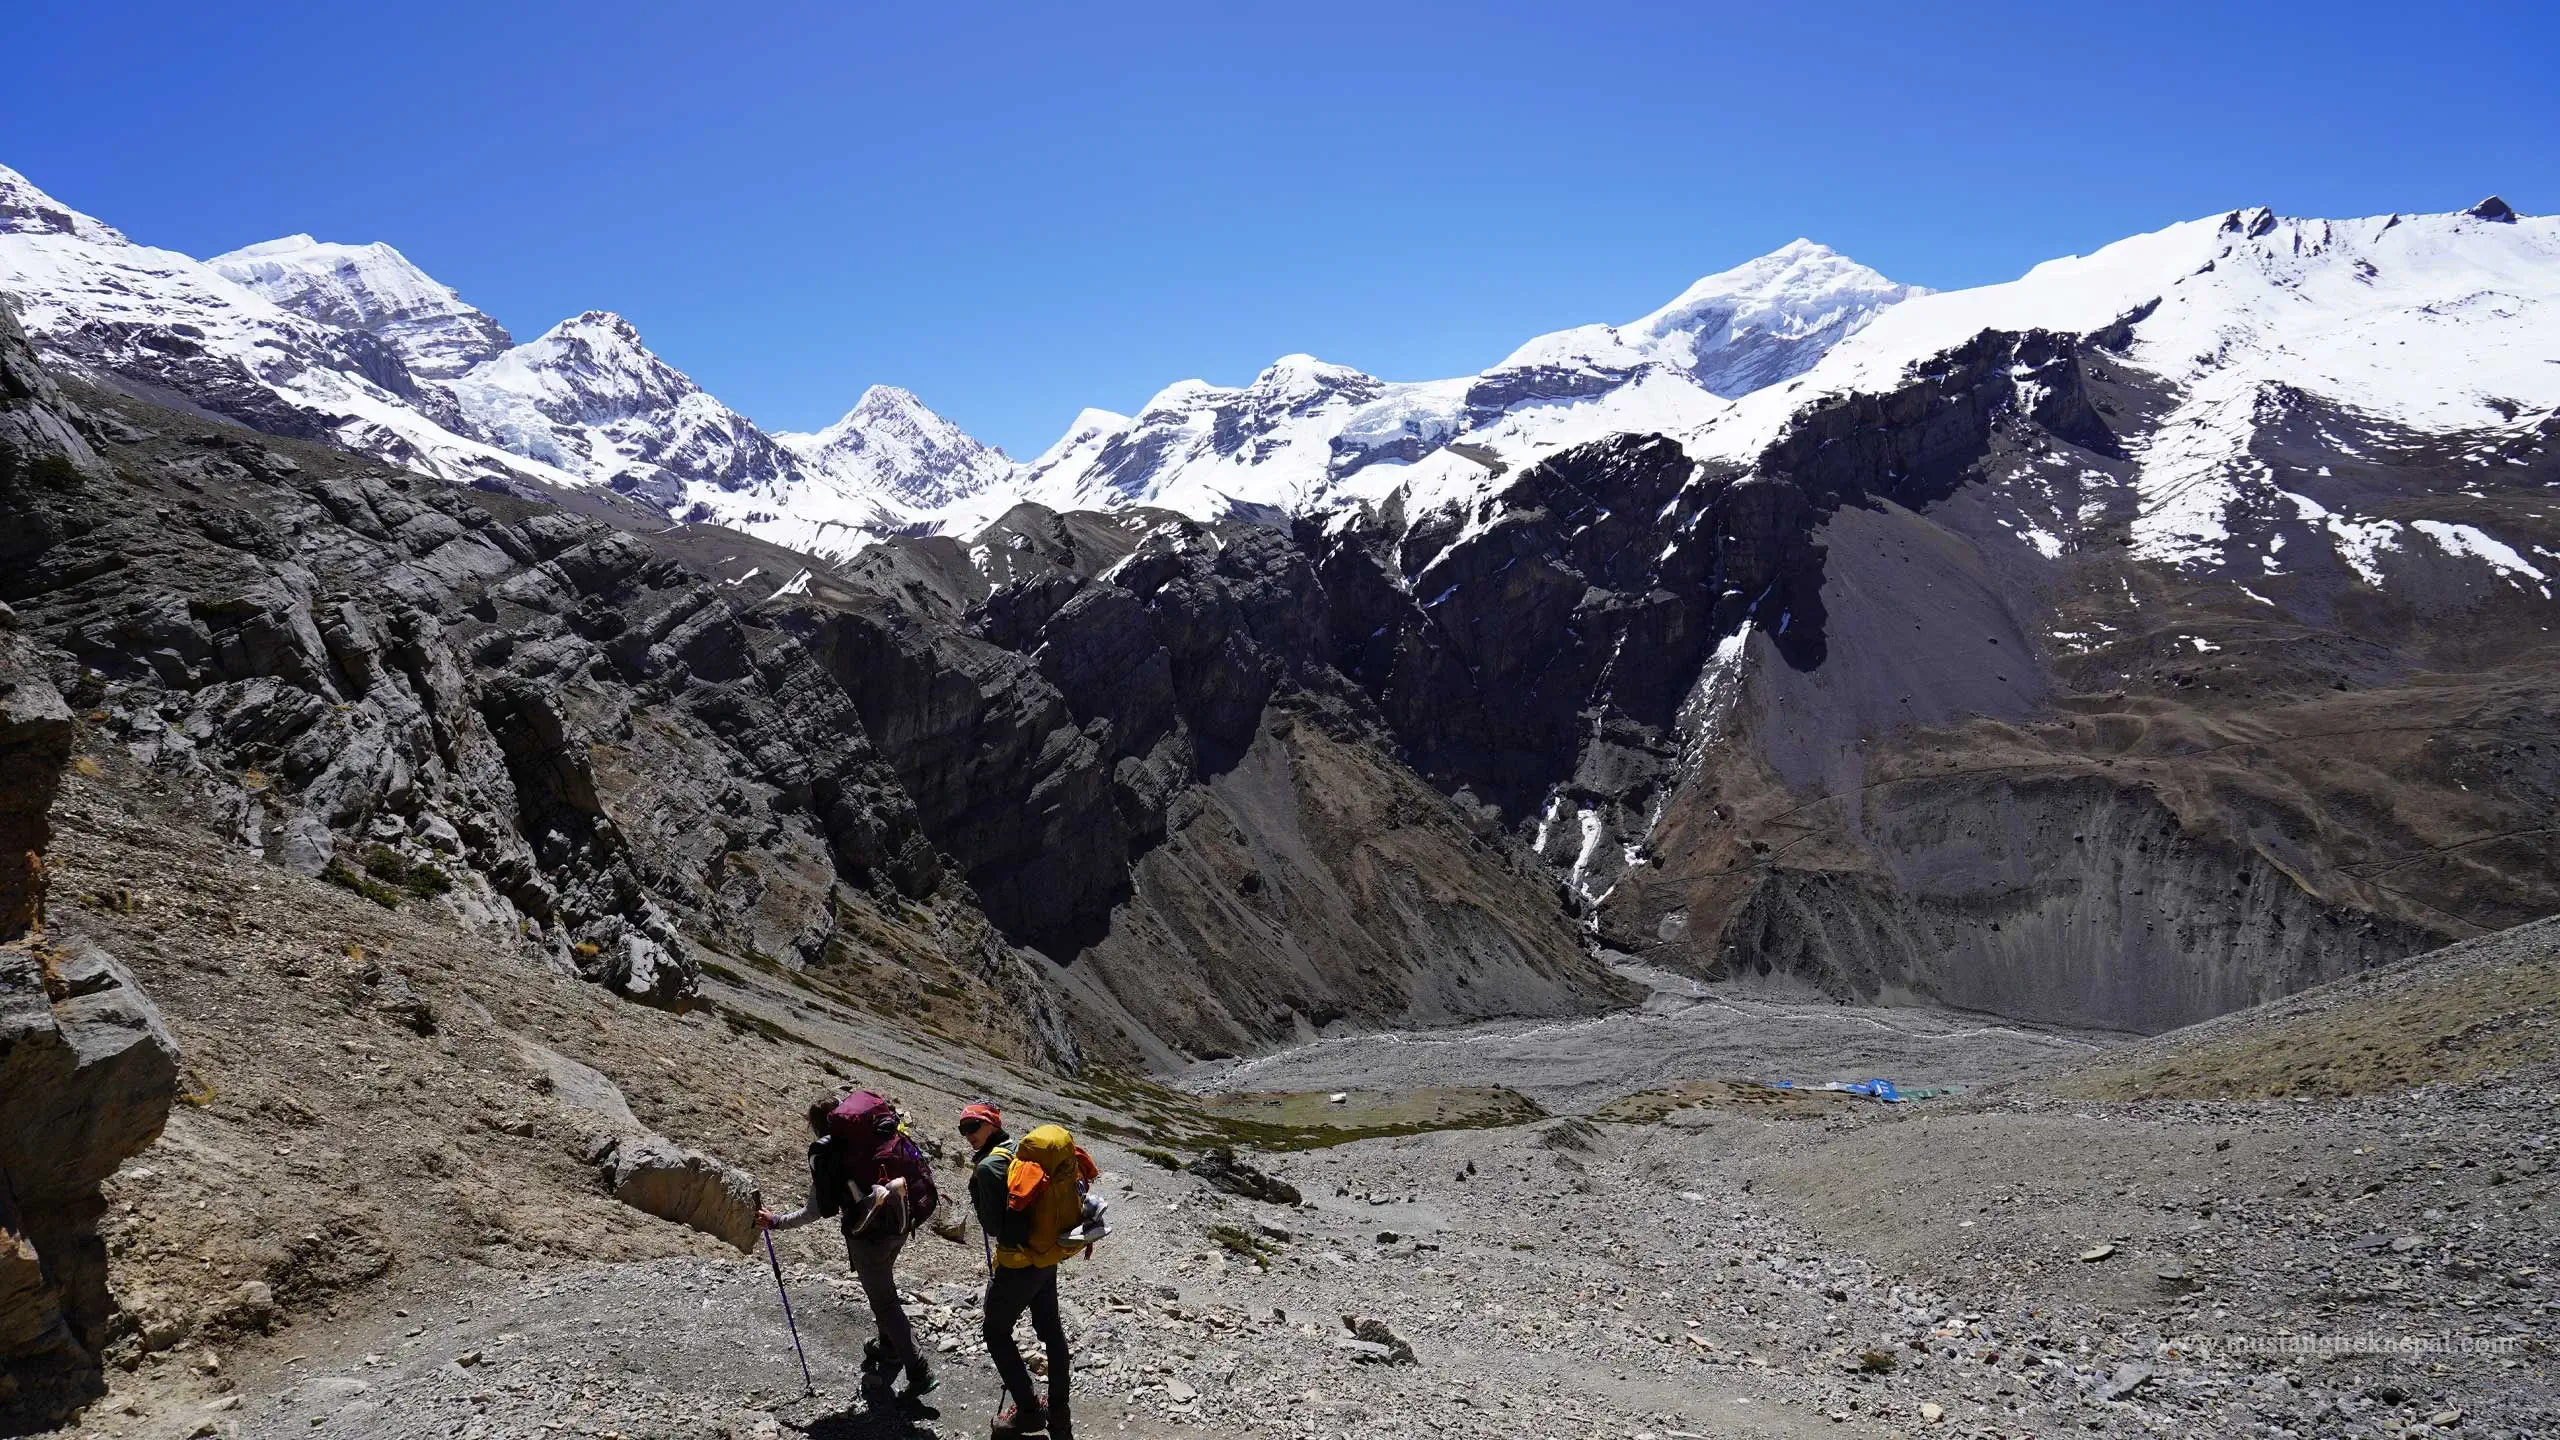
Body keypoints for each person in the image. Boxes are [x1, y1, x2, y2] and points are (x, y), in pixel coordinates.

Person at [760, 1096, 936, 1402]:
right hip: (901, 1222)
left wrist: (775, 1222)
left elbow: (815, 1210)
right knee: (883, 1287)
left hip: (869, 1235)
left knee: (885, 1302)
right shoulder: (875, 1135)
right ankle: (888, 1346)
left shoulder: (830, 1154)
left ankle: (919, 1371)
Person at [962, 1102, 1076, 1440]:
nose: (967, 1134)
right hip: (1046, 1256)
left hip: (1016, 1265)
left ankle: (1028, 1412)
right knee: (1051, 1331)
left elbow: (997, 1228)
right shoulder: (1019, 1150)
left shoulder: (989, 1168)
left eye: (973, 1126)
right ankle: (1060, 1416)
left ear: (992, 1125)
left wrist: (980, 1198)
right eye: (963, 1128)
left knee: (996, 1331)